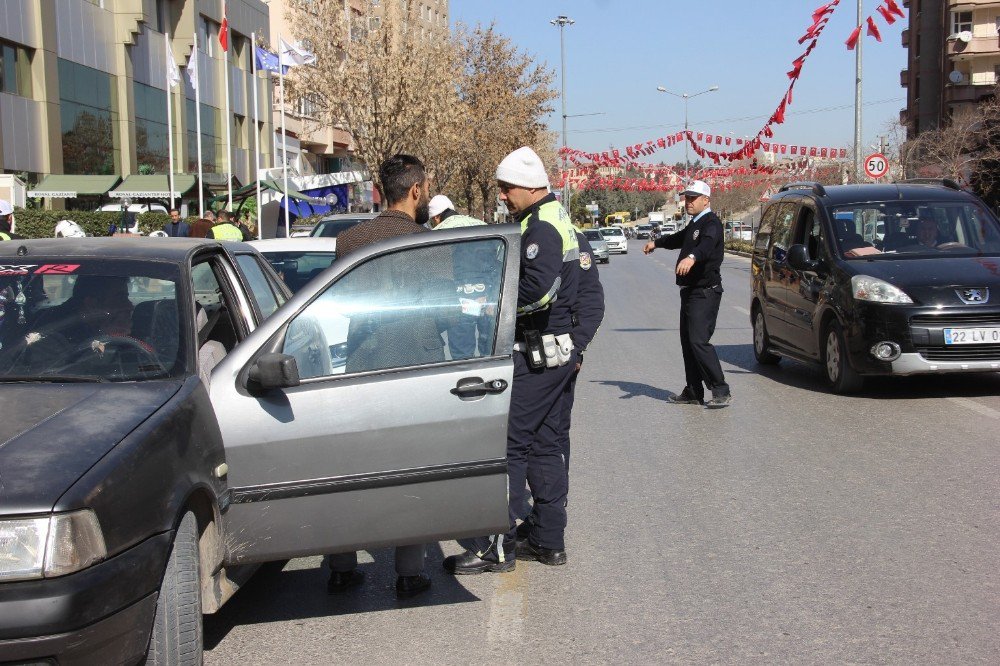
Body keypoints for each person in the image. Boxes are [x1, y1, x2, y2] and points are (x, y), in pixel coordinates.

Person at [444, 146, 580, 574]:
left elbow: (538, 291)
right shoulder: (560, 221)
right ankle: (548, 539)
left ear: (527, 186)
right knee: (546, 444)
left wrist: (494, 310)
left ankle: (496, 548)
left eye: (506, 189)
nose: (502, 196)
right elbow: (590, 295)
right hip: (556, 356)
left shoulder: (540, 227)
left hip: (534, 355)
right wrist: (578, 346)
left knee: (507, 448)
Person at [326, 154, 435, 599]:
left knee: (353, 470)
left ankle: (341, 566)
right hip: (417, 368)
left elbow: (340, 301)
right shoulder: (429, 242)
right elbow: (441, 311)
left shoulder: (349, 241)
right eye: (424, 188)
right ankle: (408, 572)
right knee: (411, 470)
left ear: (379, 192)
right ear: (414, 191)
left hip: (362, 365)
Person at [516, 228, 605, 545]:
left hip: (558, 355)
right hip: (522, 353)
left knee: (551, 436)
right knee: (534, 440)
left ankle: (548, 517)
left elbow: (592, 300)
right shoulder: (521, 234)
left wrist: (576, 348)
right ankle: (545, 522)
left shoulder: (571, 240)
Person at [643, 179, 731, 409]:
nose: (688, 202)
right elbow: (678, 239)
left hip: (705, 292)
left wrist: (692, 258)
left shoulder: (711, 223)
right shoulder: (695, 223)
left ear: (706, 200)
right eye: (686, 198)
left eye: (693, 198)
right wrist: (656, 243)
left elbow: (707, 245)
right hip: (690, 292)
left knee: (698, 341)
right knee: (687, 342)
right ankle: (693, 390)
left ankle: (720, 389)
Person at [427, 195, 495, 358]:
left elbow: (437, 273)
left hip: (459, 302)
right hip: (488, 299)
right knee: (490, 353)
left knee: (462, 356)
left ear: (436, 217)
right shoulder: (481, 225)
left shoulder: (438, 233)